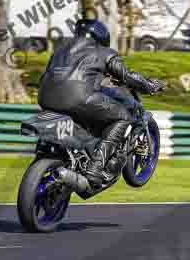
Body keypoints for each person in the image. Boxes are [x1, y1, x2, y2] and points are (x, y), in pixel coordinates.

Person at [37, 18, 165, 188]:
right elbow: (127, 75)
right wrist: (150, 85)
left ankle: (62, 155)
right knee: (123, 117)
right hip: (78, 97)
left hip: (45, 97)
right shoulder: (103, 51)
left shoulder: (60, 50)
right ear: (101, 36)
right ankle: (95, 168)